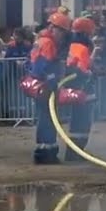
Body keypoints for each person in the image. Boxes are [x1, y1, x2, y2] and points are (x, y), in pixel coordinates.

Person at [24, 12, 72, 164]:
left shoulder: (42, 40)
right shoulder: (47, 42)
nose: (62, 36)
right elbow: (41, 66)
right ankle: (45, 154)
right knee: (47, 119)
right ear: (53, 28)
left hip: (40, 85)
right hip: (44, 86)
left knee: (48, 118)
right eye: (61, 31)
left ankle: (47, 151)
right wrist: (52, 80)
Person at [60, 15, 106, 161]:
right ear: (87, 32)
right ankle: (76, 154)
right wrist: (96, 69)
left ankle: (74, 152)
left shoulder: (71, 44)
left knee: (77, 122)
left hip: (75, 89)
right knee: (82, 123)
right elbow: (84, 68)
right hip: (83, 89)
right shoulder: (82, 47)